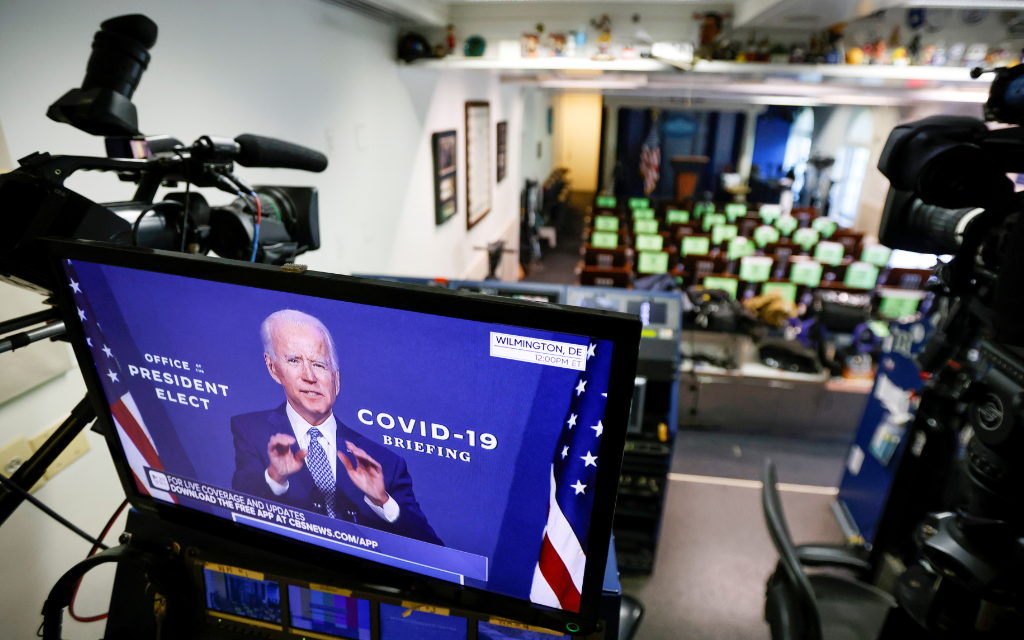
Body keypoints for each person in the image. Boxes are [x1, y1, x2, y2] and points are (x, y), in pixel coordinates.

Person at [231, 309, 442, 545]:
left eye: (319, 365)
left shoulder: (385, 462)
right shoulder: (250, 429)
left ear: (336, 380)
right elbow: (237, 513)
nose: (309, 376)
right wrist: (275, 477)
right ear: (272, 368)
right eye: (294, 361)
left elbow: (433, 550)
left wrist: (383, 501)